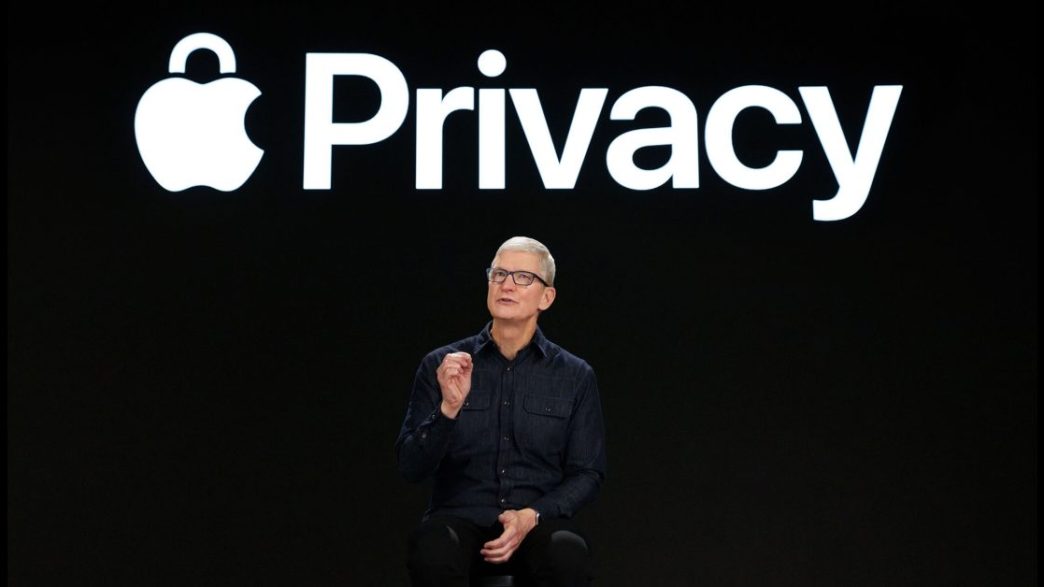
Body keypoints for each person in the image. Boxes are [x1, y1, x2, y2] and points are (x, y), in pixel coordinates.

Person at [396, 236, 607, 587]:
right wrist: (448, 409)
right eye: (499, 274)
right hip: (458, 517)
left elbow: (588, 473)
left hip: (537, 521)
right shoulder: (442, 365)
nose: (507, 285)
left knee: (566, 554)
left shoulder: (575, 375)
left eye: (523, 277)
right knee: (432, 552)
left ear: (546, 297)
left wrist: (533, 514)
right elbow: (410, 467)